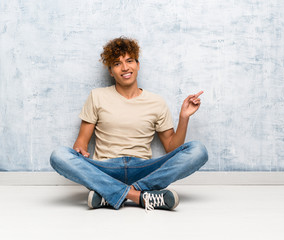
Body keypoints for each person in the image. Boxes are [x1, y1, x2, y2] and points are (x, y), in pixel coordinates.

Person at [50, 37, 208, 212]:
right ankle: (139, 196)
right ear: (111, 71)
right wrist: (80, 149)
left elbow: (172, 147)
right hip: (105, 169)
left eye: (129, 61)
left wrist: (184, 117)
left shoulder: (156, 102)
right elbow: (81, 142)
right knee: (59, 155)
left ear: (138, 65)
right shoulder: (97, 96)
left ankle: (110, 194)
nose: (125, 68)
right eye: (117, 64)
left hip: (144, 169)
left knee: (198, 150)